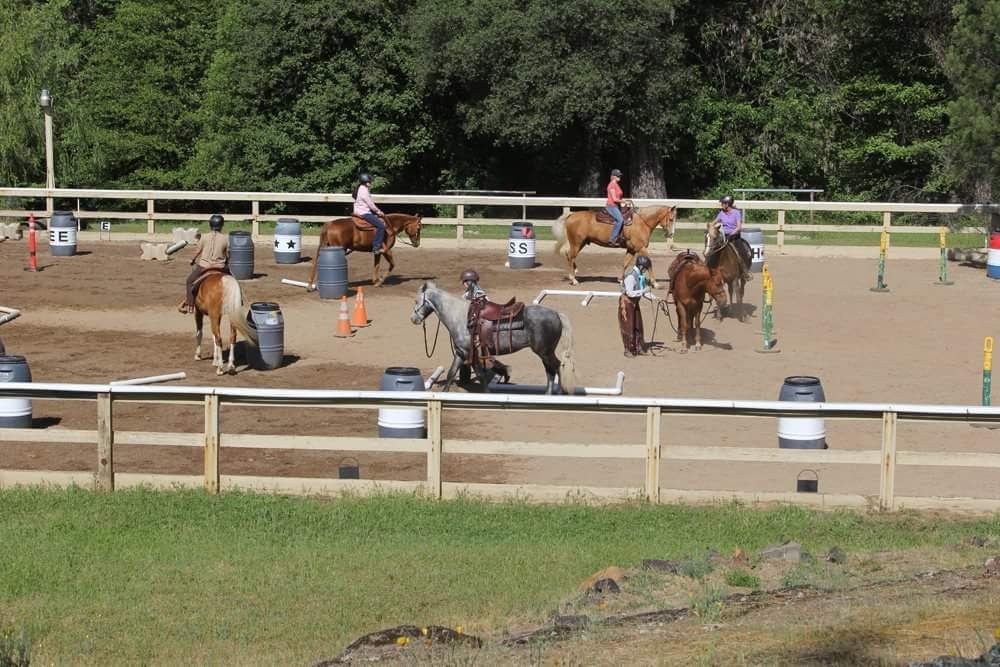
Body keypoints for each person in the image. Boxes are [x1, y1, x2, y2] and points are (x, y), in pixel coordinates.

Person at [178, 214, 229, 314]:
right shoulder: (226, 238)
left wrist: (192, 260)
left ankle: (190, 304)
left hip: (204, 266)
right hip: (220, 267)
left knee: (189, 281)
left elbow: (198, 251)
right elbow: (227, 253)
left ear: (210, 225)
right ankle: (239, 302)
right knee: (234, 282)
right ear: (222, 226)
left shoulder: (204, 237)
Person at [619, 255, 656, 357]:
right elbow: (630, 293)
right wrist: (643, 291)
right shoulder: (631, 276)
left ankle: (638, 347)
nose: (645, 271)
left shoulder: (640, 277)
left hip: (635, 303)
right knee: (628, 326)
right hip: (627, 304)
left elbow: (644, 292)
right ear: (641, 267)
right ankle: (628, 349)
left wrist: (656, 298)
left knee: (638, 325)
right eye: (645, 268)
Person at [715, 194, 752, 281]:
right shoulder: (721, 213)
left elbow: (739, 227)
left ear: (727, 204)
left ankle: (745, 271)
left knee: (740, 252)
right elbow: (714, 222)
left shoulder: (736, 213)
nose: (721, 205)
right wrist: (710, 226)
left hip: (734, 237)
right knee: (713, 249)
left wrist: (731, 234)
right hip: (724, 237)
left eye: (723, 203)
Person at [353, 173, 387, 256]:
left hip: (360, 210)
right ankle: (376, 247)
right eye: (369, 181)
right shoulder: (364, 191)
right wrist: (378, 211)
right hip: (364, 212)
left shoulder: (361, 188)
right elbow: (370, 204)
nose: (370, 183)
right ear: (365, 182)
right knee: (381, 226)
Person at [606, 168, 625, 246]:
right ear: (613, 176)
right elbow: (614, 199)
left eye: (619, 176)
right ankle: (612, 238)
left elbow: (618, 197)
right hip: (612, 206)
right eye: (617, 176)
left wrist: (623, 200)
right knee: (620, 220)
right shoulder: (612, 185)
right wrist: (623, 201)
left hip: (616, 205)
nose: (619, 177)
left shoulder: (616, 184)